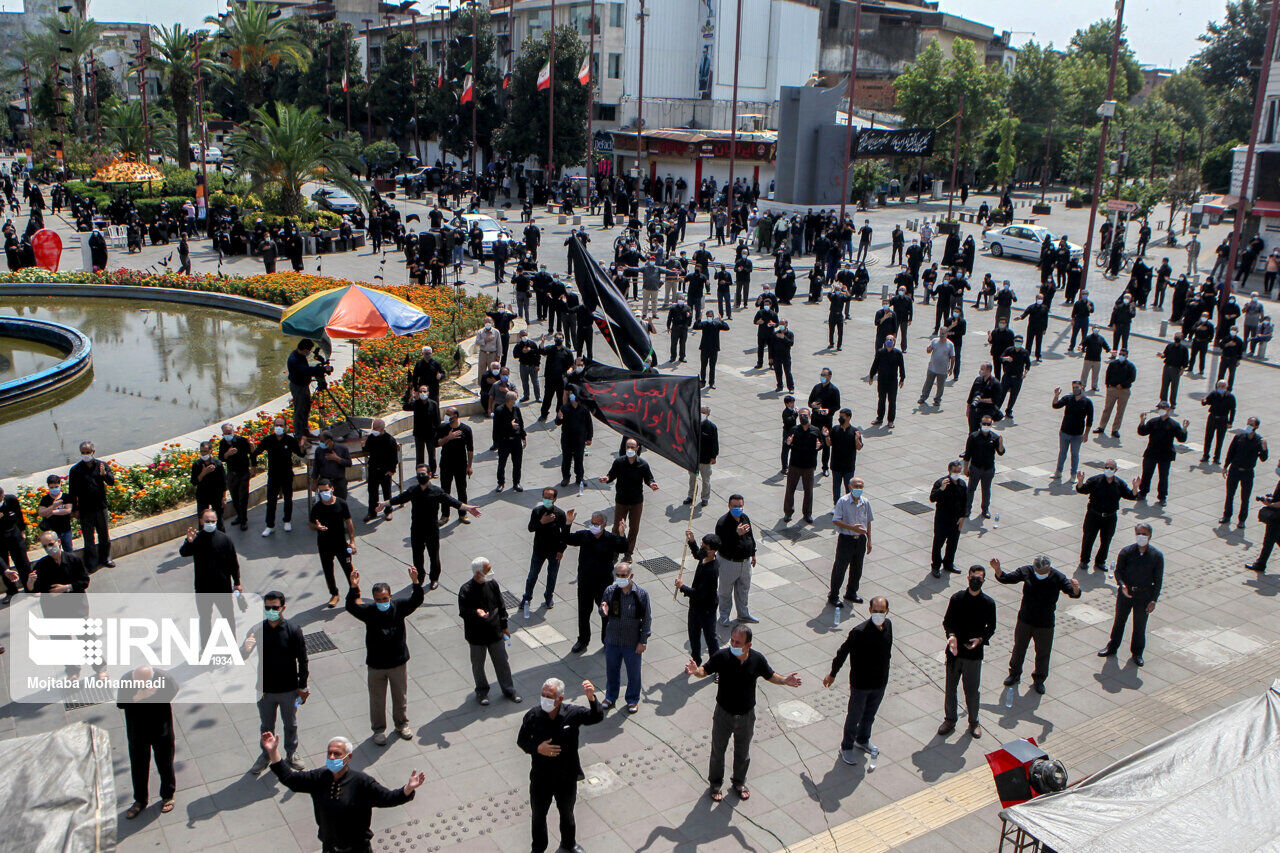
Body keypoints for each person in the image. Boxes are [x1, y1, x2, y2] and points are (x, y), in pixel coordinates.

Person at [684, 626, 802, 802]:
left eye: (737, 642)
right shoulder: (722, 657)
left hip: (746, 715)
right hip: (724, 713)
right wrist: (695, 671)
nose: (733, 644)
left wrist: (785, 680)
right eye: (732, 640)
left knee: (743, 752)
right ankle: (715, 784)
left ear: (748, 645)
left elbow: (770, 675)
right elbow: (705, 671)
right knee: (718, 751)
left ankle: (739, 782)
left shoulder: (757, 659)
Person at [264, 731, 424, 850]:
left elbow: (388, 798)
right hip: (330, 847)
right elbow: (291, 780)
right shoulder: (319, 777)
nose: (332, 757)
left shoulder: (362, 782)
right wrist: (273, 752)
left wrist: (408, 788)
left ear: (348, 757)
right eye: (330, 753)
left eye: (337, 754)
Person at [516, 678, 602, 853]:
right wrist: (538, 748)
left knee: (567, 813)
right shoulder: (533, 716)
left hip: (566, 776)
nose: (545, 699)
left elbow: (596, 717)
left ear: (560, 699)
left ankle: (569, 845)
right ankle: (538, 849)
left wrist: (592, 698)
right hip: (541, 777)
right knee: (538, 816)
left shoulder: (572, 713)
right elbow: (522, 741)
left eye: (550, 696)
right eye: (543, 695)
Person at [347, 566, 424, 744]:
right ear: (374, 599)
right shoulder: (369, 611)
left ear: (390, 596)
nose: (382, 601)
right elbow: (351, 606)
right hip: (376, 665)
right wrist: (353, 587)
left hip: (398, 663)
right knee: (377, 699)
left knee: (400, 696)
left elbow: (416, 600)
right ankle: (378, 730)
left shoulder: (399, 607)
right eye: (378, 599)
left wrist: (415, 582)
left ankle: (401, 724)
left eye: (385, 598)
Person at [382, 462, 481, 589]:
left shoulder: (436, 491)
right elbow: (398, 499)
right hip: (416, 528)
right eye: (418, 474)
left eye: (422, 474)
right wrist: (384, 504)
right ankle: (420, 577)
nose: (420, 476)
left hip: (431, 528)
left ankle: (434, 578)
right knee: (417, 556)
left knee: (433, 555)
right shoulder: (413, 490)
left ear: (429, 474)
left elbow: (452, 501)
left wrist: (467, 508)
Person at [992, 556, 1080, 695]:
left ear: (1049, 569)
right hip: (1025, 619)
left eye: (1043, 571)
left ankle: (1039, 679)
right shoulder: (1027, 571)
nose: (1039, 573)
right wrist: (998, 570)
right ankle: (1014, 674)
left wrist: (1075, 588)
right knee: (1019, 648)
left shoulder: (1058, 577)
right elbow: (1007, 578)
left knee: (1043, 653)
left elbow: (1073, 593)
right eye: (1037, 570)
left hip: (1045, 623)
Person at [244, 591, 309, 775]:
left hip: (289, 689)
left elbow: (303, 660)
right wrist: (245, 648)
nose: (271, 611)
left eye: (275, 608)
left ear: (283, 608)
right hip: (265, 690)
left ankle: (291, 753)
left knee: (291, 723)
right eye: (267, 608)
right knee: (266, 726)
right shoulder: (257, 630)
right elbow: (242, 655)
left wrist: (302, 686)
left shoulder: (293, 630)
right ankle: (266, 754)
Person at [823, 596, 891, 764]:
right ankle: (846, 746)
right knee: (854, 716)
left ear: (887, 612)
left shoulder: (888, 626)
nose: (878, 614)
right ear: (869, 611)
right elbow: (842, 652)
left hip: (880, 682)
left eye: (881, 611)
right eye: (875, 611)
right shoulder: (859, 632)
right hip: (861, 683)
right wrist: (833, 673)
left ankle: (862, 739)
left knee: (870, 715)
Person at [938, 564, 996, 738]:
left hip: (974, 655)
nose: (975, 581)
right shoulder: (957, 599)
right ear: (968, 578)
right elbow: (947, 622)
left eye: (979, 578)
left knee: (972, 691)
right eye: (973, 578)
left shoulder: (988, 603)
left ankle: (974, 721)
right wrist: (952, 636)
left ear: (984, 580)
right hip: (955, 653)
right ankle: (950, 719)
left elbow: (991, 627)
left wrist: (980, 639)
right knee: (950, 689)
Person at [1097, 523, 1163, 666]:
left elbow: (1158, 580)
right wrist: (1122, 585)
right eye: (1138, 533)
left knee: (1140, 625)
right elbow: (1118, 572)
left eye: (1144, 534)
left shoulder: (1156, 556)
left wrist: (1153, 600)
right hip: (1126, 594)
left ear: (1150, 536)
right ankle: (1112, 647)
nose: (1141, 537)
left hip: (1144, 595)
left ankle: (1137, 653)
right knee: (1119, 621)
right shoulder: (1127, 552)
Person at [118, 666, 178, 820]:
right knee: (138, 767)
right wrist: (138, 697)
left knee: (165, 764)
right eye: (138, 682)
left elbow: (173, 692)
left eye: (145, 682)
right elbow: (121, 704)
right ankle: (140, 800)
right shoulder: (126, 681)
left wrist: (155, 695)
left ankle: (167, 795)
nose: (141, 685)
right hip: (137, 732)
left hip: (161, 729)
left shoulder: (164, 678)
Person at [459, 557, 521, 706]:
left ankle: (509, 689)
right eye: (487, 570)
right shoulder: (466, 590)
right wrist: (476, 612)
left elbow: (501, 605)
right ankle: (482, 691)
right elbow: (463, 612)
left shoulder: (492, 584)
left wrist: (504, 625)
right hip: (476, 636)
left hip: (495, 632)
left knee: (502, 662)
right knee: (478, 665)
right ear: (478, 573)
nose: (490, 572)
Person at [565, 511, 630, 652]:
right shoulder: (584, 536)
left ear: (604, 524)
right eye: (592, 523)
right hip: (585, 582)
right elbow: (566, 538)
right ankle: (583, 640)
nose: (593, 526)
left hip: (603, 583)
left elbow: (624, 547)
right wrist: (568, 523)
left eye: (597, 524)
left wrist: (621, 533)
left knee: (605, 612)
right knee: (583, 612)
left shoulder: (610, 538)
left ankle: (607, 640)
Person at [178, 508, 242, 649]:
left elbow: (233, 562)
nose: (210, 523)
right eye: (207, 521)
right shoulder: (196, 538)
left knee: (228, 618)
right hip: (203, 587)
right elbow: (184, 553)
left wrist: (237, 583)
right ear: (201, 521)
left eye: (212, 521)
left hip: (223, 587)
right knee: (205, 619)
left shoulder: (225, 539)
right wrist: (188, 541)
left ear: (217, 521)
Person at [598, 561, 651, 713]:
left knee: (633, 673)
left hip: (631, 642)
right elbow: (602, 609)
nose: (620, 578)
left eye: (624, 575)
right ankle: (610, 696)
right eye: (618, 575)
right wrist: (603, 611)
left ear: (631, 576)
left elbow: (647, 619)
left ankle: (632, 699)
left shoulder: (641, 594)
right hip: (613, 640)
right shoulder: (610, 591)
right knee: (612, 671)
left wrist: (643, 641)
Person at [1076, 462, 1140, 571]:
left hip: (1110, 517)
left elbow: (1130, 495)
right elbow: (1082, 490)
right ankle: (1084, 560)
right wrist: (1080, 482)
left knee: (1106, 540)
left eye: (1111, 468)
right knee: (1088, 538)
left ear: (1116, 470)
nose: (1108, 470)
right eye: (1106, 467)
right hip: (1094, 515)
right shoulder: (1095, 480)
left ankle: (1100, 561)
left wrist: (1135, 488)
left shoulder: (1119, 483)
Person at [600, 438, 658, 558]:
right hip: (621, 500)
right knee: (617, 527)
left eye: (632, 447)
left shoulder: (643, 464)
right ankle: (615, 551)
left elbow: (649, 478)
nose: (630, 449)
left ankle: (628, 553)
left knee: (634, 528)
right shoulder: (619, 462)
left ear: (637, 448)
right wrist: (607, 478)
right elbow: (611, 474)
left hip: (636, 501)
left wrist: (652, 484)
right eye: (628, 447)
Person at [68, 441, 116, 570]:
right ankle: (92, 562)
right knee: (88, 538)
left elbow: (111, 482)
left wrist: (104, 475)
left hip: (100, 507)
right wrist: (75, 509)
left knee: (104, 535)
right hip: (85, 510)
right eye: (83, 453)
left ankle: (106, 558)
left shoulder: (102, 465)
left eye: (88, 452)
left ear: (93, 452)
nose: (85, 455)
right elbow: (72, 492)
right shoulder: (75, 470)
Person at [252, 417, 303, 536]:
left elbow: (300, 453)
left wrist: (302, 445)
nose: (279, 427)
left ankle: (287, 521)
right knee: (271, 501)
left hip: (286, 474)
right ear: (274, 426)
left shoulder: (290, 440)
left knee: (288, 499)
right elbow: (255, 453)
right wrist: (253, 467)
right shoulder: (268, 440)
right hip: (273, 475)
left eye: (281, 425)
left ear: (285, 427)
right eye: (277, 425)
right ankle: (270, 525)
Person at [309, 479, 356, 608]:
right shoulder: (317, 507)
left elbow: (349, 522)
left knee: (348, 569)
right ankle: (334, 593)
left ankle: (355, 593)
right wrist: (317, 527)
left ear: (332, 489)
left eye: (326, 490)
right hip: (324, 544)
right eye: (321, 491)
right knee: (328, 570)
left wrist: (352, 541)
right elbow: (311, 524)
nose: (324, 493)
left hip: (341, 543)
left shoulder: (341, 503)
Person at [523, 488, 571, 611]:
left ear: (555, 499)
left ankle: (548, 596)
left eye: (550, 498)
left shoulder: (560, 514)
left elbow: (565, 534)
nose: (547, 500)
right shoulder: (537, 511)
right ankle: (527, 597)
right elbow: (531, 528)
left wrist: (561, 550)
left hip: (554, 551)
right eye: (545, 497)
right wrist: (542, 522)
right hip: (539, 550)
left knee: (552, 575)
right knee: (532, 575)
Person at [678, 532, 721, 665]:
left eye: (705, 547)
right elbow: (697, 554)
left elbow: (699, 593)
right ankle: (696, 660)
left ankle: (716, 665)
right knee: (693, 634)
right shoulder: (705, 556)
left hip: (706, 608)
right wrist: (692, 542)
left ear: (713, 551)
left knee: (710, 637)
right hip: (695, 606)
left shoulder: (712, 570)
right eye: (702, 545)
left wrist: (682, 587)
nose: (702, 549)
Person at [829, 477, 872, 605]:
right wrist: (852, 528)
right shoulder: (843, 502)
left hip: (860, 540)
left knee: (857, 568)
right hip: (846, 539)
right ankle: (833, 595)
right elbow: (836, 520)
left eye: (860, 487)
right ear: (850, 487)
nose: (858, 489)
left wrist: (869, 540)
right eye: (856, 486)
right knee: (840, 568)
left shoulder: (865, 502)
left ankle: (851, 592)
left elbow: (868, 521)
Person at [1136, 404, 1189, 505]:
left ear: (1168, 410)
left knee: (1163, 476)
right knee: (1147, 473)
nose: (1160, 411)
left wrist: (1184, 429)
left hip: (1165, 454)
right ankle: (1143, 492)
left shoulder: (1174, 424)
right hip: (1152, 452)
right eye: (1159, 409)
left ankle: (1162, 496)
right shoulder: (1153, 422)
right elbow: (1143, 432)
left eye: (1162, 409)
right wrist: (1142, 421)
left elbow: (1181, 438)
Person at [1222, 418, 1268, 528]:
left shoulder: (1259, 441)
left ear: (1256, 427)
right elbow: (1231, 452)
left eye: (1251, 424)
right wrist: (1225, 466)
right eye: (1248, 423)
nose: (1248, 426)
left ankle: (1242, 520)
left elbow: (1263, 458)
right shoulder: (1239, 437)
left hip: (1247, 472)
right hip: (1235, 470)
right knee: (1230, 494)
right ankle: (1227, 516)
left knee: (1245, 497)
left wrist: (1264, 448)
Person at [783, 408, 823, 523]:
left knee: (808, 491)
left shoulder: (815, 430)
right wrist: (788, 442)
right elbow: (787, 443)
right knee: (790, 489)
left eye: (805, 415)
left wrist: (819, 446)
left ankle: (807, 514)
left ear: (810, 416)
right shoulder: (794, 430)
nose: (802, 417)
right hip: (795, 464)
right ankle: (788, 512)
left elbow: (821, 445)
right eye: (800, 415)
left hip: (809, 465)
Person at [436, 406, 474, 524]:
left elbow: (470, 449)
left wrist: (469, 466)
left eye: (449, 414)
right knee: (445, 490)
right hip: (446, 463)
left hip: (460, 464)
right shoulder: (443, 427)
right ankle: (445, 515)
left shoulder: (466, 429)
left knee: (461, 489)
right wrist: (449, 437)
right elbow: (436, 443)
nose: (446, 416)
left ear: (456, 416)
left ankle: (463, 514)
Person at [962, 415, 1005, 520]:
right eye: (984, 424)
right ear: (980, 424)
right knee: (971, 489)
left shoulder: (994, 437)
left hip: (988, 468)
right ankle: (967, 509)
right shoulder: (974, 436)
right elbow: (968, 454)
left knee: (986, 490)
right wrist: (966, 467)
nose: (986, 426)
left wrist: (1000, 443)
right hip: (976, 467)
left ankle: (985, 509)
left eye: (988, 424)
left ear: (991, 425)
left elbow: (1001, 452)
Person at [930, 461, 967, 577]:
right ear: (949, 470)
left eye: (958, 471)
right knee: (938, 544)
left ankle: (948, 563)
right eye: (954, 471)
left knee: (952, 544)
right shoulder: (941, 483)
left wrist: (963, 517)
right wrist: (942, 488)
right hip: (942, 520)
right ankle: (936, 566)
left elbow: (965, 502)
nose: (956, 473)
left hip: (955, 521)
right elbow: (932, 498)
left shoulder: (962, 484)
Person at [287, 339, 329, 438]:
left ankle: (305, 432)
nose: (309, 353)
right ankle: (299, 435)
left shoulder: (300, 355)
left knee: (306, 409)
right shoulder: (294, 359)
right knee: (300, 410)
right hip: (298, 387)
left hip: (303, 385)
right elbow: (306, 370)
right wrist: (322, 369)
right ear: (304, 349)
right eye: (309, 350)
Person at [1053, 381, 1094, 480]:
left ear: (1082, 387)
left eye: (1077, 387)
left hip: (1077, 434)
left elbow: (1089, 420)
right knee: (1062, 453)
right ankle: (1058, 472)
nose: (1075, 389)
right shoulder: (1068, 398)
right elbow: (1056, 405)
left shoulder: (1087, 402)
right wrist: (1056, 396)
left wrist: (1086, 434)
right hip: (1064, 431)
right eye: (1073, 387)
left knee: (1074, 455)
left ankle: (1073, 475)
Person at [361, 419, 398, 523]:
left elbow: (394, 457)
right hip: (373, 469)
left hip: (385, 470)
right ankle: (372, 512)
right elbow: (367, 449)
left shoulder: (389, 439)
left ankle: (388, 510)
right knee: (372, 492)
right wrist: (363, 444)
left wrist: (392, 470)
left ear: (381, 429)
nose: (373, 430)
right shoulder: (372, 437)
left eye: (375, 428)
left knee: (387, 492)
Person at [218, 422, 253, 530]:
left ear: (233, 431)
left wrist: (252, 446)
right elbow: (221, 458)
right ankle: (239, 516)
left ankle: (244, 520)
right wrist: (227, 454)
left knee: (243, 497)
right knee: (235, 497)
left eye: (229, 432)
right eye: (225, 433)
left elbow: (251, 452)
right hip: (232, 473)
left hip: (243, 472)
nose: (228, 434)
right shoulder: (223, 443)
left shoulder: (241, 440)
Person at [865, 336, 906, 428]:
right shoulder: (880, 352)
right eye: (887, 339)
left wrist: (902, 378)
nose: (889, 341)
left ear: (894, 342)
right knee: (881, 399)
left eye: (891, 340)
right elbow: (875, 364)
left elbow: (901, 366)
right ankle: (879, 418)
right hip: (882, 380)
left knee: (892, 401)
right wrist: (871, 375)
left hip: (892, 381)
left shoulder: (898, 353)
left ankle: (891, 420)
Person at [825, 408, 863, 504]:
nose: (840, 419)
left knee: (849, 487)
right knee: (836, 487)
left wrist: (857, 439)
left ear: (849, 417)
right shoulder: (835, 429)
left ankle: (849, 504)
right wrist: (826, 436)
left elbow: (859, 447)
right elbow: (829, 443)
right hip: (836, 464)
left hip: (848, 466)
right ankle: (836, 505)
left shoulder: (854, 431)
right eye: (840, 417)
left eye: (842, 417)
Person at [0, 483, 29, 602]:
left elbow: (19, 515)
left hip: (14, 534)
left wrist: (22, 530)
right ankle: (11, 591)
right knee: (4, 567)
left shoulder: (11, 499)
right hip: (0, 539)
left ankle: (29, 588)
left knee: (22, 562)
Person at [494, 391, 527, 493]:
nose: (515, 401)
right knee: (502, 463)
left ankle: (516, 482)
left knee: (517, 463)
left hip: (516, 440)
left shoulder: (516, 409)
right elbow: (497, 427)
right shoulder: (499, 410)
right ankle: (500, 483)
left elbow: (520, 422)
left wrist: (523, 436)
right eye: (514, 400)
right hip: (504, 441)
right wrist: (509, 425)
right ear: (509, 400)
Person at [1200, 379, 1237, 465]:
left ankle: (1217, 457)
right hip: (1212, 418)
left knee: (1220, 439)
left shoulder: (1230, 397)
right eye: (1219, 386)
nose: (1221, 388)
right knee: (1208, 437)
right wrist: (1203, 401)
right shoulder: (1214, 394)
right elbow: (1206, 402)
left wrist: (1230, 422)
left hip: (1223, 419)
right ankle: (1205, 455)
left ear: (1226, 387)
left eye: (1223, 386)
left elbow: (1233, 410)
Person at [405, 385, 441, 471]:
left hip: (430, 433)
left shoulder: (433, 404)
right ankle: (420, 471)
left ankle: (432, 471)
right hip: (419, 434)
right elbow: (405, 407)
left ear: (428, 392)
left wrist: (438, 434)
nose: (422, 393)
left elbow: (437, 420)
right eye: (420, 391)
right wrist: (410, 396)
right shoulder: (416, 404)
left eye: (424, 391)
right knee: (419, 455)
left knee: (431, 454)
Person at [36, 474, 74, 553]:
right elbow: (41, 513)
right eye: (52, 487)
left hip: (65, 530)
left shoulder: (66, 497)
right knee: (55, 552)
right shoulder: (45, 499)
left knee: (69, 550)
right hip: (52, 532)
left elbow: (67, 510)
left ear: (60, 485)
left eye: (56, 487)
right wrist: (53, 506)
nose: (54, 489)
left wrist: (51, 512)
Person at [310, 432, 352, 500]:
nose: (320, 443)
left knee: (340, 504)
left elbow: (349, 463)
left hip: (339, 482)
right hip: (325, 482)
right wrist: (314, 483)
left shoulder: (342, 449)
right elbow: (316, 467)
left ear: (329, 441)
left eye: (322, 441)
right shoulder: (319, 450)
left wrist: (337, 459)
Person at [695, 310, 730, 389]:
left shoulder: (717, 324)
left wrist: (721, 321)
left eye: (710, 316)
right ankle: (702, 381)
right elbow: (696, 326)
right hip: (704, 348)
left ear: (713, 317)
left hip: (714, 348)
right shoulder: (704, 324)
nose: (709, 318)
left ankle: (712, 382)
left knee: (712, 366)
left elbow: (727, 328)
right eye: (708, 316)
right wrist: (699, 319)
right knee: (703, 366)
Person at [919, 333, 954, 408]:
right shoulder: (934, 341)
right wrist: (928, 350)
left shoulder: (950, 344)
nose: (941, 336)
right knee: (928, 383)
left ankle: (937, 399)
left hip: (943, 369)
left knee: (940, 386)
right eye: (941, 334)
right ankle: (923, 397)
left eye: (943, 334)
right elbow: (929, 350)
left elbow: (952, 357)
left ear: (946, 335)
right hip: (932, 367)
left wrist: (951, 368)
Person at [1158, 334, 1190, 409]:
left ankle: (1173, 403)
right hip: (1167, 367)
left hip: (1176, 369)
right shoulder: (1170, 346)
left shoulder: (1184, 349)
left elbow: (1185, 361)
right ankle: (1163, 400)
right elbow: (1165, 355)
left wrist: (1182, 370)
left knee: (1174, 386)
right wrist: (1161, 355)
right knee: (1164, 384)